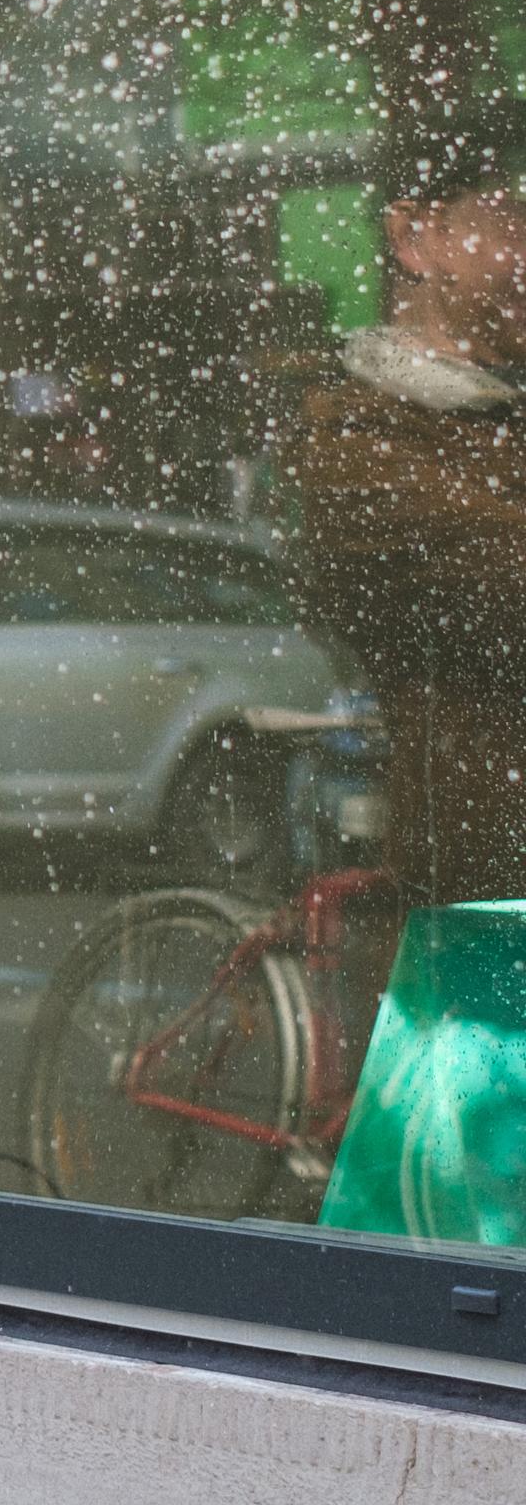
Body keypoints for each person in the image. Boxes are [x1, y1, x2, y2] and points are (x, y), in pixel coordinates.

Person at [290, 115, 526, 1242]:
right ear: (416, 238)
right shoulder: (354, 428)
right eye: (515, 218)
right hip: (478, 878)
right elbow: (493, 585)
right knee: (459, 1232)